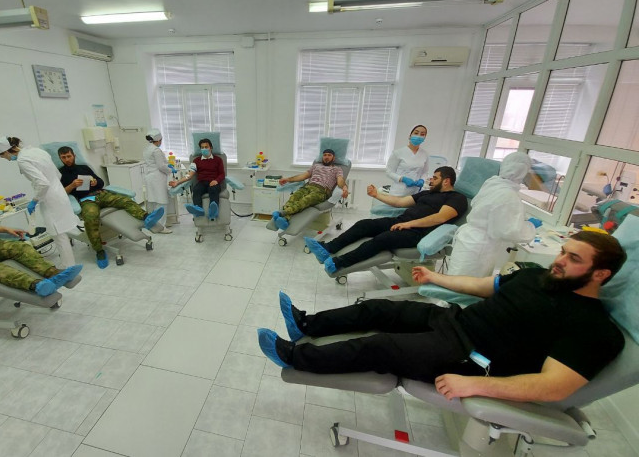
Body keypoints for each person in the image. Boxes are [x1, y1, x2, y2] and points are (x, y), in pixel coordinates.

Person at [258, 231, 626, 403]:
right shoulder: (537, 276)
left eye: (573, 259)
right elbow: (482, 287)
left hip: (472, 358)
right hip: (455, 320)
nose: (559, 261)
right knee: (378, 308)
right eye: (563, 252)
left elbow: (554, 387)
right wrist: (436, 278)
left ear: (601, 274)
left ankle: (296, 357)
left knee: (380, 346)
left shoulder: (594, 328)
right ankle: (307, 324)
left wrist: (476, 386)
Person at [305, 166, 467, 274]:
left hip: (418, 233)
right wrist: (377, 195)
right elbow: (400, 202)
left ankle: (338, 263)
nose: (431, 180)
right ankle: (328, 248)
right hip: (400, 221)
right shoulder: (428, 193)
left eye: (435, 178)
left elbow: (440, 217)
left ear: (446, 181)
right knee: (364, 224)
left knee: (382, 239)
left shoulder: (457, 198)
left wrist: (408, 224)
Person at [57, 146, 165, 269]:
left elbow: (101, 182)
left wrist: (95, 182)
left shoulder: (84, 168)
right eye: (63, 157)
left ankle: (146, 218)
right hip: (86, 200)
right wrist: (72, 185)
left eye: (69, 156)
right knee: (90, 219)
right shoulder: (60, 174)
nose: (67, 159)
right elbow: (61, 193)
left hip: (101, 194)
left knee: (125, 200)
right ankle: (99, 251)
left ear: (74, 156)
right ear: (60, 158)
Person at [0, 136, 79, 269]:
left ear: (6, 151)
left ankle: (68, 267)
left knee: (58, 234)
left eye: (3, 157)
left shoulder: (22, 160)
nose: (6, 159)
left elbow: (42, 183)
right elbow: (57, 174)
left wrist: (34, 201)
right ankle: (69, 265)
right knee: (61, 232)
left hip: (50, 198)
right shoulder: (36, 151)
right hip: (59, 193)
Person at [449, 152, 541, 277]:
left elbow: (486, 208)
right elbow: (509, 231)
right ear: (522, 172)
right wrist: (530, 226)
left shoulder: (493, 183)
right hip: (480, 246)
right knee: (467, 283)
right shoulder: (508, 195)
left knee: (455, 278)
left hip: (468, 239)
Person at [269, 149, 349, 231]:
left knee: (305, 200)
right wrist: (287, 179)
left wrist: (345, 188)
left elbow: (340, 181)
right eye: (325, 155)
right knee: (293, 197)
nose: (326, 157)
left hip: (321, 191)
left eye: (329, 155)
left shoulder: (337, 169)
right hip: (307, 187)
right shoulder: (316, 166)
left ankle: (282, 213)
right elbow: (303, 176)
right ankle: (284, 220)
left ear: (333, 158)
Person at [168, 138, 225, 221]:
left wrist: (216, 180)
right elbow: (189, 175)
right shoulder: (196, 161)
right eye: (202, 147)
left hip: (214, 182)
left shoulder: (218, 160)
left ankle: (213, 212)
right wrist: (177, 182)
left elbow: (222, 174)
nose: (204, 149)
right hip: (202, 182)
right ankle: (198, 210)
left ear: (211, 148)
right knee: (196, 189)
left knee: (213, 189)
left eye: (206, 147)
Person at [384, 125, 431, 196]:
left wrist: (422, 180)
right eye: (416, 133)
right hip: (398, 192)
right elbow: (389, 172)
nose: (418, 136)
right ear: (410, 136)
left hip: (415, 192)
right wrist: (402, 179)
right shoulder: (398, 153)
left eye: (422, 134)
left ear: (424, 138)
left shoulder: (425, 154)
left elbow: (425, 172)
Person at [142, 128, 173, 233]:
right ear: (159, 139)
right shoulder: (156, 150)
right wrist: (170, 170)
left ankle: (157, 224)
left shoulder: (147, 149)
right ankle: (161, 227)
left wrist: (166, 165)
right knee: (162, 202)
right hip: (157, 178)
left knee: (155, 203)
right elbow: (161, 166)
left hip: (150, 177)